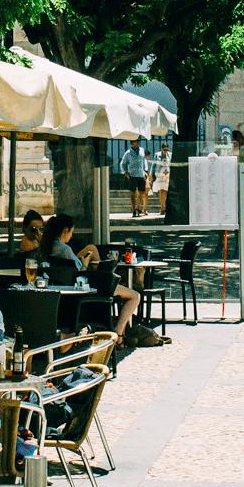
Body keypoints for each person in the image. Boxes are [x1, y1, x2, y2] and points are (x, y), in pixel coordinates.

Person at [41, 214, 141, 342]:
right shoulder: (64, 249)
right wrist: (85, 264)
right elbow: (78, 275)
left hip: (68, 294)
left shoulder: (49, 247)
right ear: (65, 230)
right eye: (71, 232)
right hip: (89, 288)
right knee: (135, 296)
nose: (71, 235)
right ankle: (119, 333)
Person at [118, 142, 149, 217]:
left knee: (142, 192)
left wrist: (146, 170)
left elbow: (144, 161)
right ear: (132, 143)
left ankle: (138, 208)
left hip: (141, 174)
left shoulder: (142, 150)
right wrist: (125, 172)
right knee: (133, 193)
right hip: (132, 175)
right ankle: (134, 209)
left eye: (137, 141)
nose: (137, 143)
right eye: (135, 141)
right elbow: (122, 163)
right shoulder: (128, 153)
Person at [151, 146, 172, 215]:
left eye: (166, 149)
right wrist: (151, 174)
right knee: (160, 191)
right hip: (159, 174)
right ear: (161, 149)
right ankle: (162, 207)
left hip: (167, 175)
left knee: (165, 191)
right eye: (164, 149)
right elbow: (153, 164)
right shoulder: (157, 154)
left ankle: (164, 207)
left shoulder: (170, 155)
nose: (165, 151)